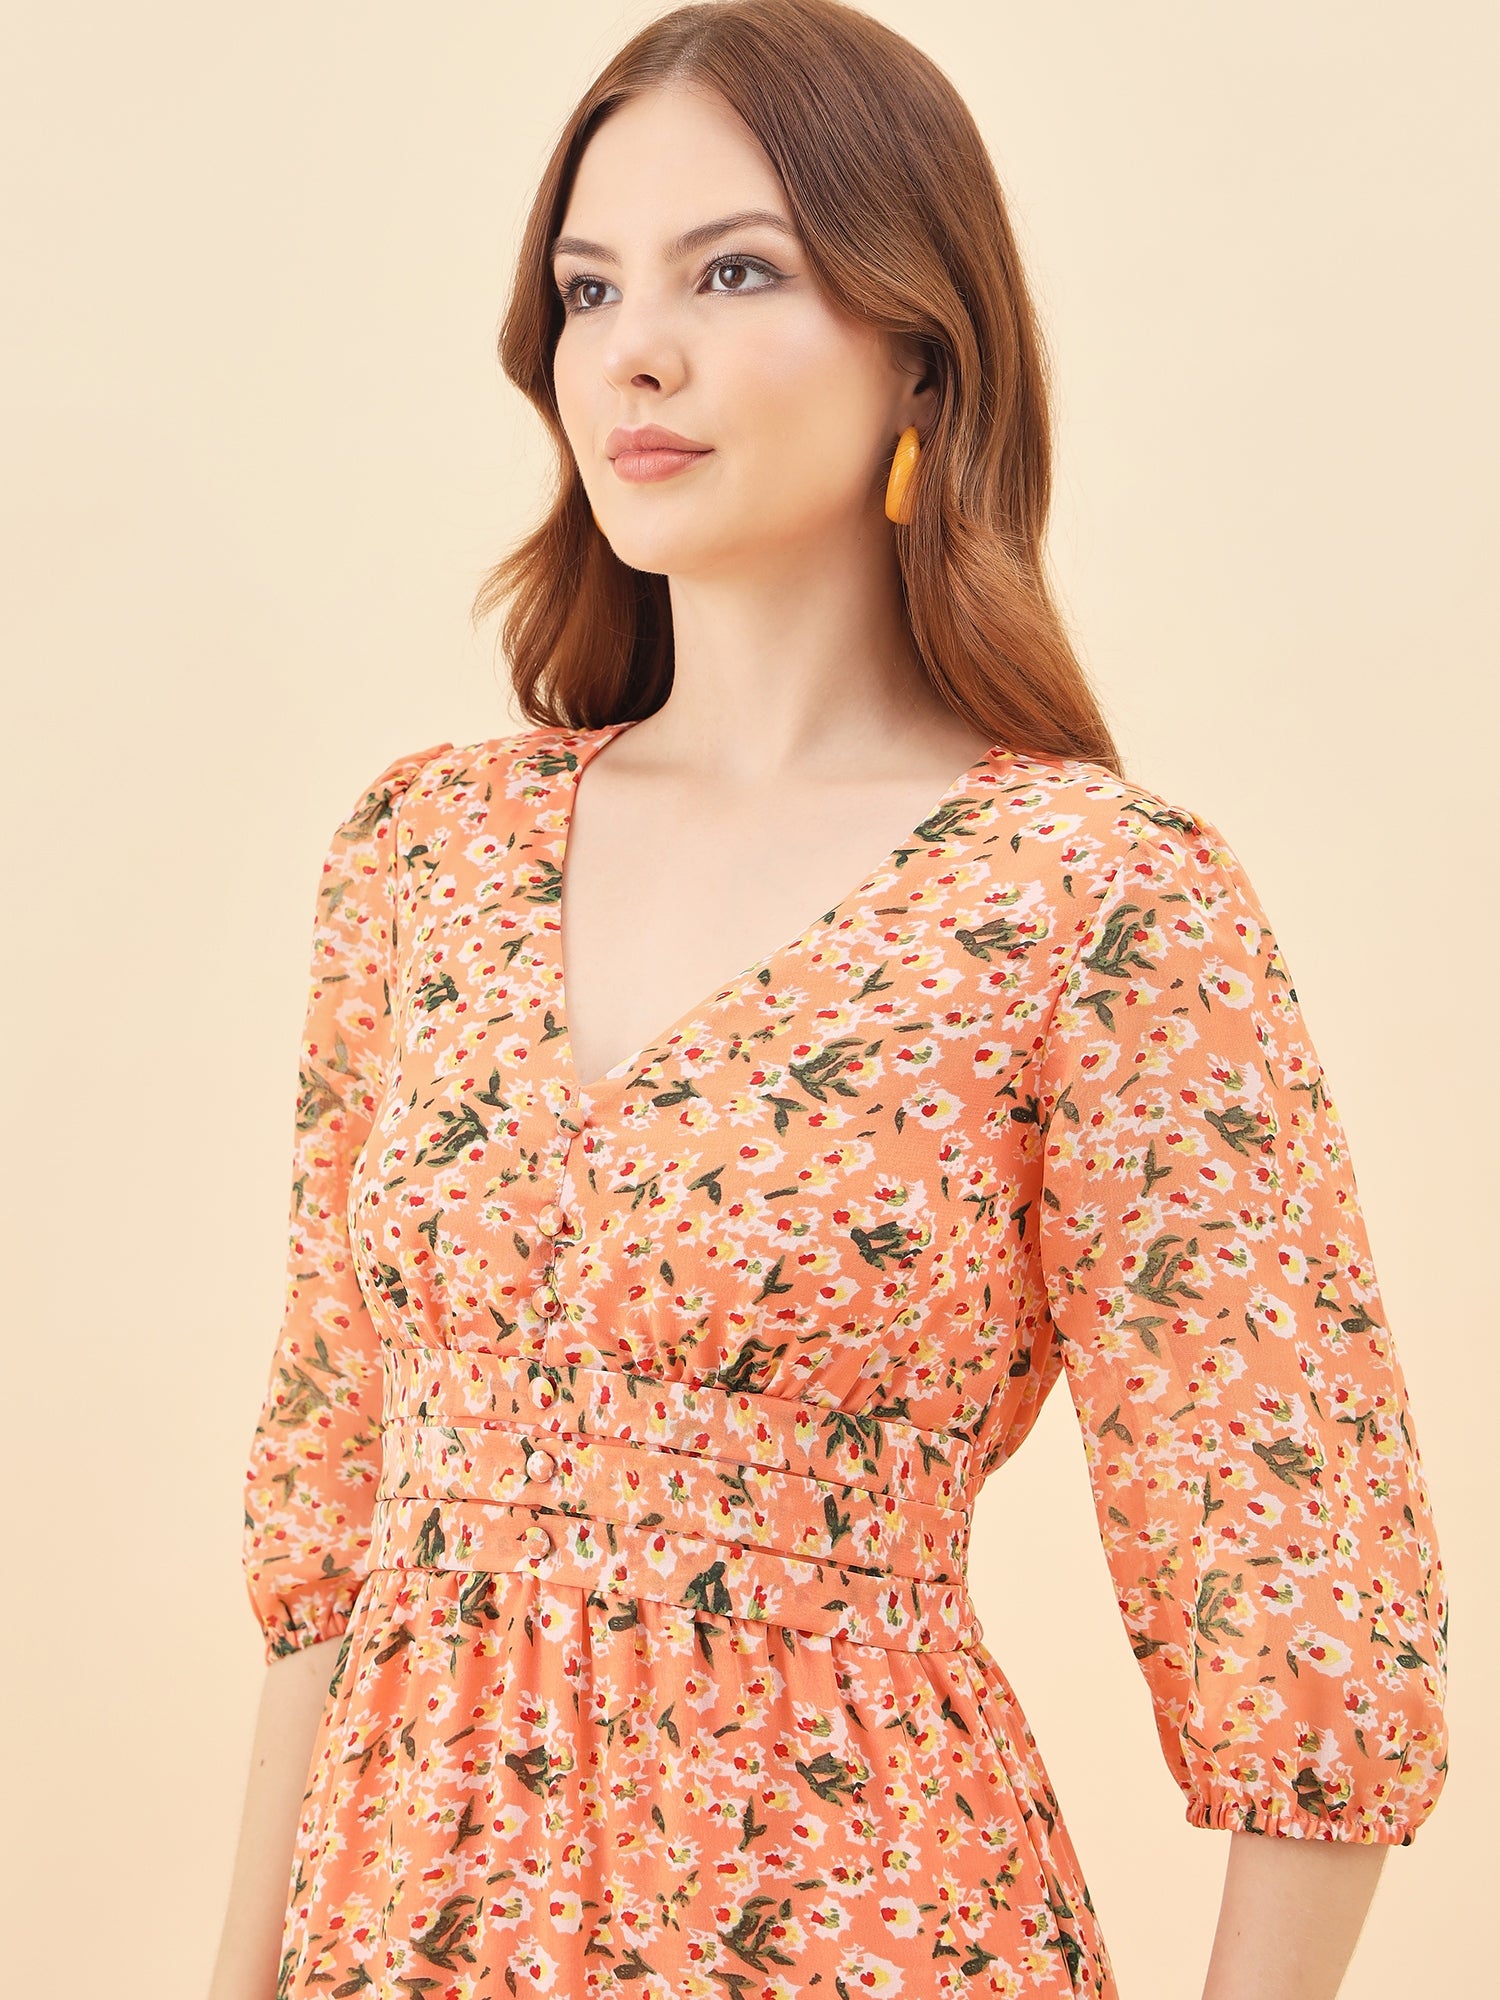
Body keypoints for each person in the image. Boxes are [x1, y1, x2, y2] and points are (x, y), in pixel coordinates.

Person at [208, 4, 1449, 1996]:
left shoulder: (1094, 897)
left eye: (737, 270)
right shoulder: (422, 855)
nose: (637, 347)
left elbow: (1299, 1586)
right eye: (590, 285)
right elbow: (329, 1516)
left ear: (920, 344)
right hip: (404, 1937)